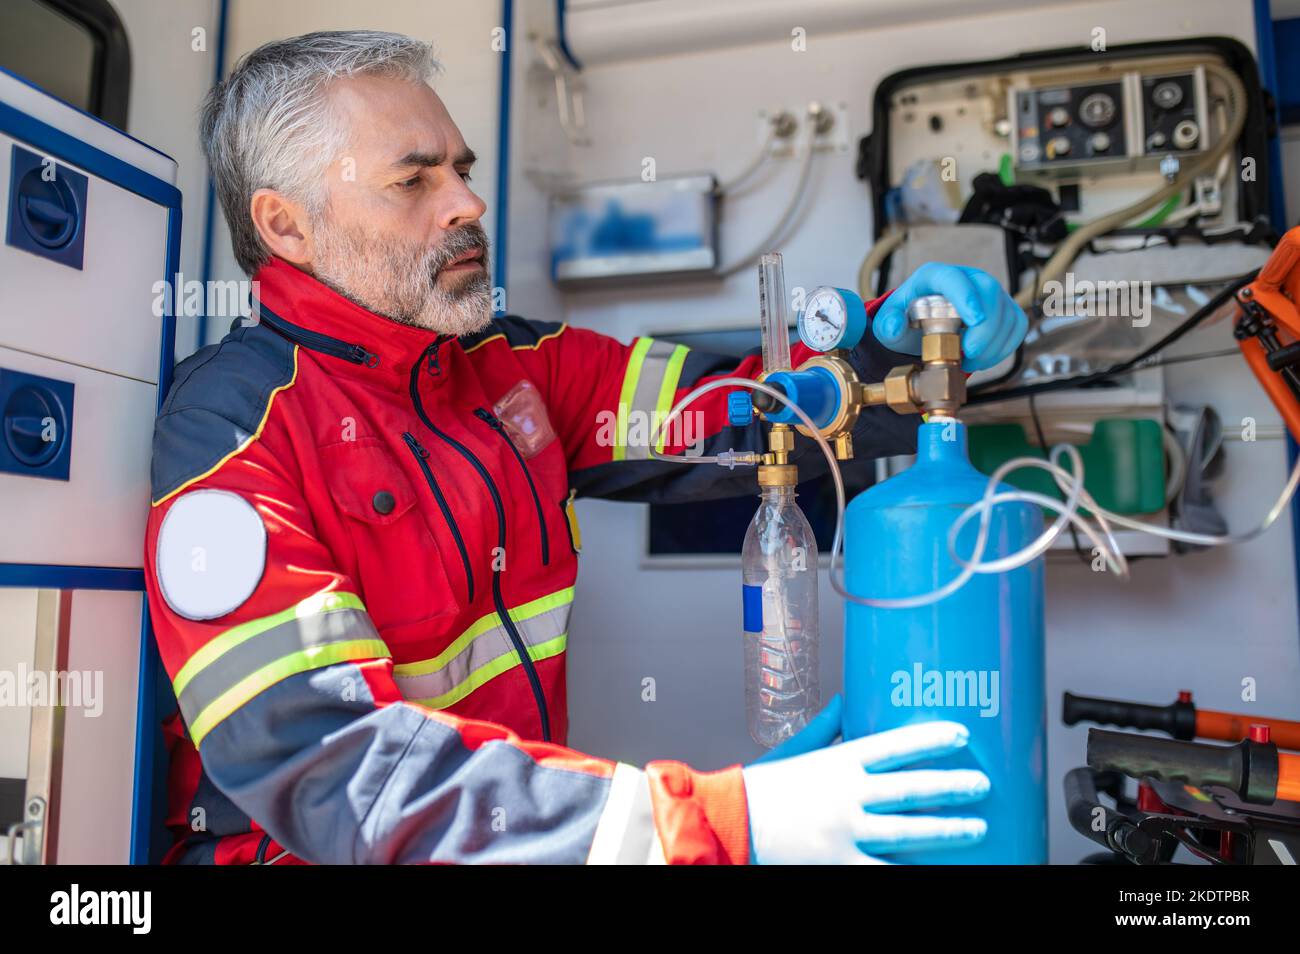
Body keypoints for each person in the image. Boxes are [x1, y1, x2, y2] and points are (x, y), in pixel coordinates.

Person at [145, 30, 1027, 865]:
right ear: (287, 225)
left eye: (461, 169)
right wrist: (719, 825)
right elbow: (331, 765)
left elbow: (755, 411)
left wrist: (900, 354)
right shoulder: (225, 434)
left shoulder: (516, 369)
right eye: (414, 181)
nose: (467, 203)